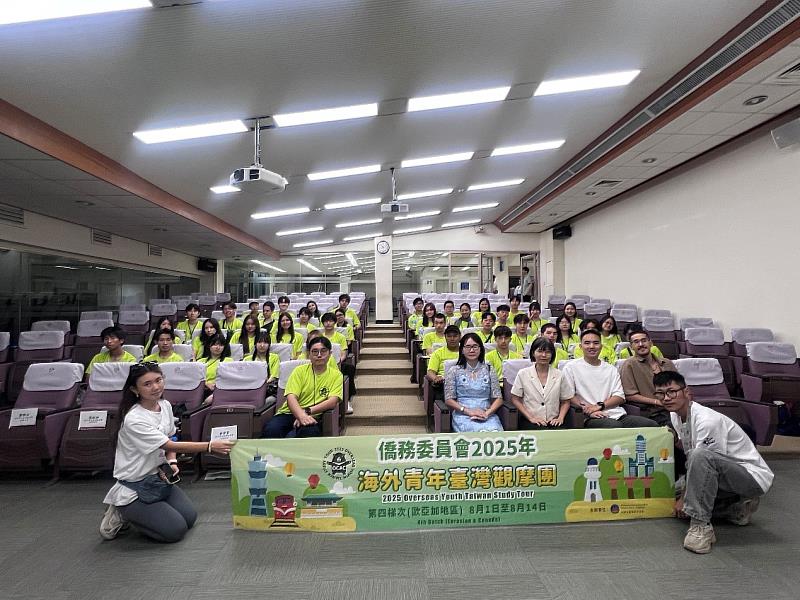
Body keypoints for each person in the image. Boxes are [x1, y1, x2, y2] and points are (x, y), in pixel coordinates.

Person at [99, 362, 236, 542]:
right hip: (134, 484)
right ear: (135, 389)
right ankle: (121, 510)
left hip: (158, 477)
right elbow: (169, 445)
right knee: (175, 531)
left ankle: (146, 513)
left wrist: (172, 462)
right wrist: (209, 446)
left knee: (190, 518)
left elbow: (171, 437)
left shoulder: (165, 405)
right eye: (147, 384)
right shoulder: (134, 419)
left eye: (158, 380)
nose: (155, 387)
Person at [654, 370, 773, 554]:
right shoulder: (675, 415)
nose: (666, 398)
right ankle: (735, 508)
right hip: (723, 473)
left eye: (671, 392)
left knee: (691, 489)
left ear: (687, 392)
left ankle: (701, 527)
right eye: (660, 394)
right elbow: (691, 453)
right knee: (669, 494)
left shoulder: (707, 420)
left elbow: (702, 461)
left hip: (751, 477)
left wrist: (685, 497)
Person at [562, 329, 659, 429]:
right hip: (588, 416)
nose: (592, 346)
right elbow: (569, 395)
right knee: (613, 426)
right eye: (587, 343)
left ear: (601, 346)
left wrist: (600, 406)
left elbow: (619, 396)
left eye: (596, 343)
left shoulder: (611, 369)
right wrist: (588, 411)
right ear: (580, 346)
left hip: (616, 414)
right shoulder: (571, 367)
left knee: (651, 425)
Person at [262, 336, 343, 438]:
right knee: (271, 430)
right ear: (309, 354)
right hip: (288, 413)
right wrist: (301, 415)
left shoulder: (336, 375)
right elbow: (291, 397)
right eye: (314, 351)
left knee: (309, 432)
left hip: (313, 414)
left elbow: (332, 401)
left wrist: (306, 412)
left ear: (330, 354)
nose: (319, 355)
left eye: (323, 351)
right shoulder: (299, 371)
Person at [445, 333, 503, 432]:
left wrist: (487, 413)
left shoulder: (489, 369)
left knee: (495, 432)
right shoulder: (454, 371)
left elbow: (498, 399)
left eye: (475, 346)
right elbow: (449, 400)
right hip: (463, 415)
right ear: (462, 350)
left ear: (481, 349)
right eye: (468, 347)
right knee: (473, 432)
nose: (472, 350)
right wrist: (468, 411)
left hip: (487, 414)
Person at [510, 337, 572, 429]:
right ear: (533, 353)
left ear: (552, 354)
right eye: (540, 351)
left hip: (553, 421)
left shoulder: (559, 375)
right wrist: (531, 418)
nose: (544, 355)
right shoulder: (523, 374)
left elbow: (566, 401)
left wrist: (560, 418)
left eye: (547, 352)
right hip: (530, 421)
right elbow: (515, 399)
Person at [620, 329, 675, 426]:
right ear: (631, 347)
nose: (641, 344)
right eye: (636, 342)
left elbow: (679, 386)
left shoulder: (667, 363)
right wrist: (657, 402)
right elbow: (630, 395)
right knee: (674, 426)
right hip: (652, 413)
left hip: (674, 407)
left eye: (644, 340)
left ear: (651, 343)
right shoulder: (629, 365)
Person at [426, 325, 462, 403]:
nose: (452, 339)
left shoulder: (466, 352)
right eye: (449, 336)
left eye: (455, 336)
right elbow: (430, 372)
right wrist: (435, 378)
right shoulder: (438, 353)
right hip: (444, 383)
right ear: (445, 337)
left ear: (460, 337)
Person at [197, 333, 233, 399]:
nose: (218, 347)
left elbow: (230, 379)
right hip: (202, 390)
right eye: (214, 344)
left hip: (221, 390)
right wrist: (206, 384)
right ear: (209, 345)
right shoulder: (200, 362)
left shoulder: (229, 361)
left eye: (221, 345)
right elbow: (195, 378)